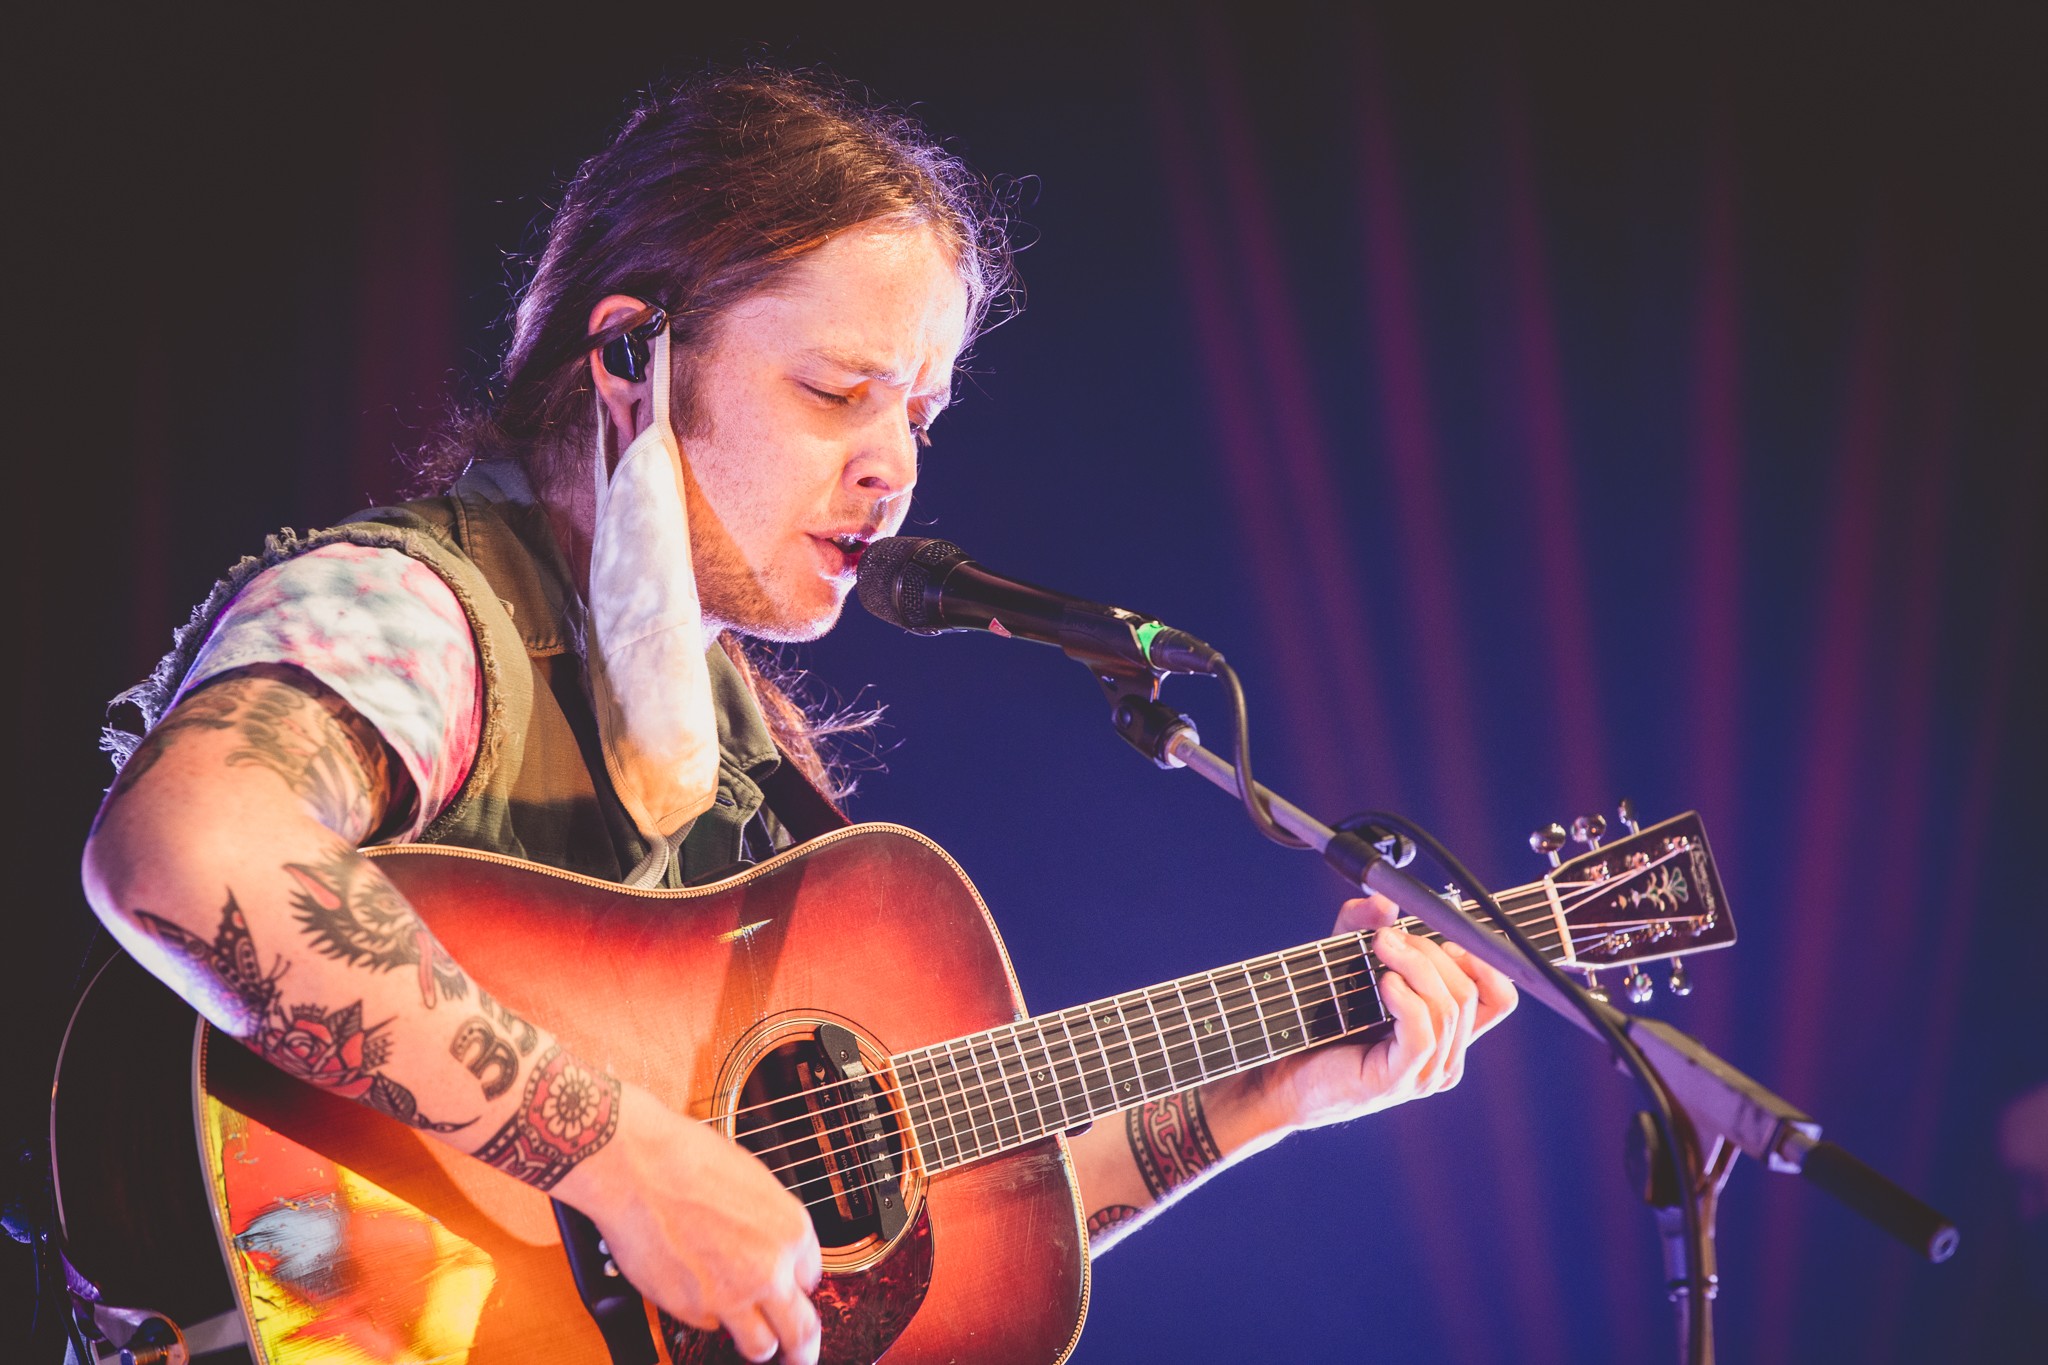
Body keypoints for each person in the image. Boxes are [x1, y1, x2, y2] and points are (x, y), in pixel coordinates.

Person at [80, 69, 1516, 1365]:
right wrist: (621, 1156)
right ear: (631, 360)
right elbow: (185, 849)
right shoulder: (424, 612)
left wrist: (1262, 1097)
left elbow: (897, 1249)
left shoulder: (741, 766)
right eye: (838, 392)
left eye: (921, 416)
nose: (896, 468)